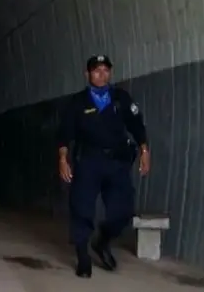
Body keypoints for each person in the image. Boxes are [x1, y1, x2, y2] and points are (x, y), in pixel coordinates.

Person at [57, 54, 150, 278]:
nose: (102, 74)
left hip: (117, 162)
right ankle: (83, 258)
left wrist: (145, 151)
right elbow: (64, 134)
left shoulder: (121, 98)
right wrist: (63, 158)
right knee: (82, 209)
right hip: (89, 161)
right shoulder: (78, 102)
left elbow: (137, 126)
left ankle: (102, 241)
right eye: (97, 70)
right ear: (87, 74)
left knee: (123, 211)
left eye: (105, 70)